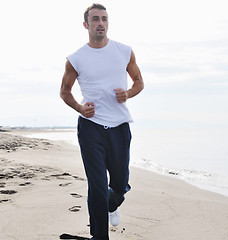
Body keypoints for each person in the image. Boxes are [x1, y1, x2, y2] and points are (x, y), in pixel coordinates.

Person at [60, 3, 144, 240]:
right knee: (96, 187)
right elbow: (65, 91)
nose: (101, 23)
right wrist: (79, 107)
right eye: (95, 19)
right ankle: (100, 237)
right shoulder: (76, 58)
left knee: (119, 185)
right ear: (86, 25)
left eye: (104, 19)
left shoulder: (124, 51)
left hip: (119, 128)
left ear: (108, 23)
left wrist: (127, 93)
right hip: (91, 128)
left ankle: (112, 203)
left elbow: (139, 81)